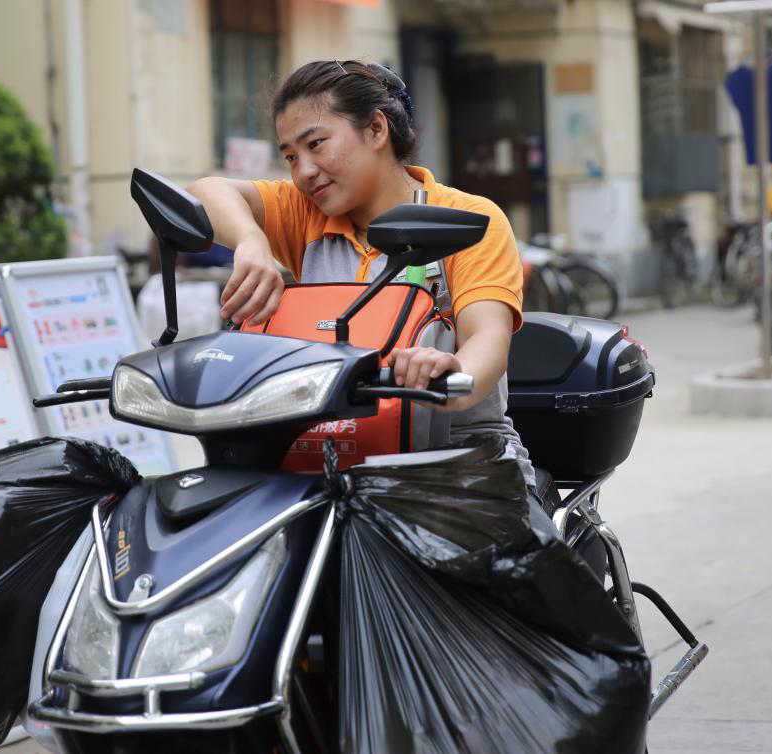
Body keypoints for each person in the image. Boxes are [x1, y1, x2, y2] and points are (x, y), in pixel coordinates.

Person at [187, 59, 535, 487]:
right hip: (332, 454)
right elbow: (205, 192)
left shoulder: (470, 217)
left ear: (375, 129)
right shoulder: (306, 214)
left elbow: (489, 339)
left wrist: (450, 372)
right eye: (291, 157)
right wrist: (250, 240)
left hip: (459, 456)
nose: (303, 172)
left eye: (316, 144)